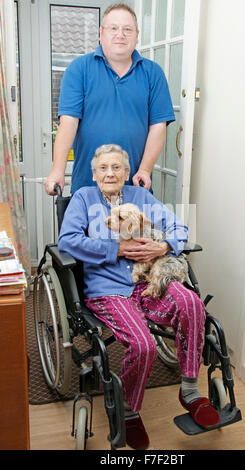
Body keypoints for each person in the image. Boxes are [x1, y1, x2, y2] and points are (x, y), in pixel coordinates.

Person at [58, 144, 220, 450]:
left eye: (117, 167)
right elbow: (68, 241)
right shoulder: (83, 199)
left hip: (148, 278)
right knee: (143, 343)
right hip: (108, 288)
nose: (110, 173)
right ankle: (130, 409)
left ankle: (189, 390)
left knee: (191, 303)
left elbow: (179, 227)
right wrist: (115, 249)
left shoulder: (141, 197)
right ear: (93, 174)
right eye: (103, 168)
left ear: (127, 172)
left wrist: (164, 246)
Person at [45, 3, 175, 196]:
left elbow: (158, 126)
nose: (120, 34)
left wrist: (146, 170)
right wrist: (58, 170)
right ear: (101, 33)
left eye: (127, 29)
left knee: (137, 227)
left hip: (135, 187)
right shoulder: (79, 69)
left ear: (137, 35)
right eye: (113, 28)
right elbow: (68, 123)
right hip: (87, 188)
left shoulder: (153, 73)